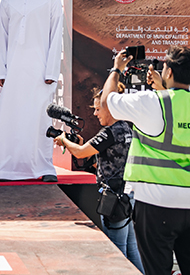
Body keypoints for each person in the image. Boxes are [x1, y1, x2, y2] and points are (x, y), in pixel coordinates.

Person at [102, 47, 190, 275]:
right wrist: (164, 88)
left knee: (157, 270)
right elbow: (177, 110)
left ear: (169, 72)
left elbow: (107, 103)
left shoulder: (150, 102)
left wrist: (116, 69)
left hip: (157, 203)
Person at [54, 86, 144, 272]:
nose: (95, 114)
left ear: (110, 109)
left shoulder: (109, 132)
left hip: (114, 199)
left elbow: (80, 153)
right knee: (132, 249)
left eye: (97, 109)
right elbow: (99, 159)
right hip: (128, 195)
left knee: (117, 252)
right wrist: (77, 145)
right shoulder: (127, 128)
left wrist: (64, 141)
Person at [0, 0, 63, 182]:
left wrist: (51, 71)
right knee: (11, 119)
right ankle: (7, 168)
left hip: (40, 72)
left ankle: (43, 168)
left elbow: (56, 37)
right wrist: (1, 71)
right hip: (13, 72)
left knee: (39, 119)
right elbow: (1, 39)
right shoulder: (7, 0)